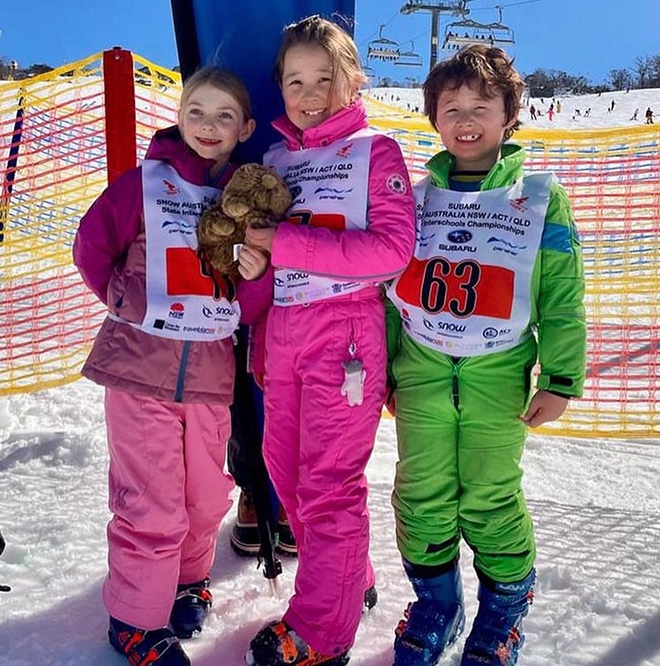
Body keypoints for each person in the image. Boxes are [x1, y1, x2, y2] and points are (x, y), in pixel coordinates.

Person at [385, 45, 586, 666]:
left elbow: (561, 292)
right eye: (451, 108)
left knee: (490, 495)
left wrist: (559, 376)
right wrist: (390, 365)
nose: (465, 119)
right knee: (420, 492)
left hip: (497, 372)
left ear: (509, 115)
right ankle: (437, 604)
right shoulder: (412, 198)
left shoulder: (538, 197)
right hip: (420, 369)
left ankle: (503, 610)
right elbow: (390, 291)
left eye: (481, 106)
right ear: (433, 118)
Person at [73, 67, 270, 666]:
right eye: (196, 112)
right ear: (179, 115)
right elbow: (92, 242)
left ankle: (186, 581)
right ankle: (135, 619)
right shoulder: (144, 184)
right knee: (150, 499)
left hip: (209, 377)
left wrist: (257, 273)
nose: (208, 127)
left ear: (246, 129)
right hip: (139, 371)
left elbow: (251, 299)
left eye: (224, 117)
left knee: (206, 495)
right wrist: (119, 295)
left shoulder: (244, 199)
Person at [243, 14, 416, 666]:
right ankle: (350, 580)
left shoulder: (377, 151)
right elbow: (264, 264)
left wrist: (281, 240)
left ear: (351, 80)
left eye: (325, 77)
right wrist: (260, 331)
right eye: (296, 80)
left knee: (327, 485)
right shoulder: (275, 160)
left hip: (344, 338)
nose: (310, 92)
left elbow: (393, 250)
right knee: (285, 474)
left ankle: (322, 632)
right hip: (284, 338)